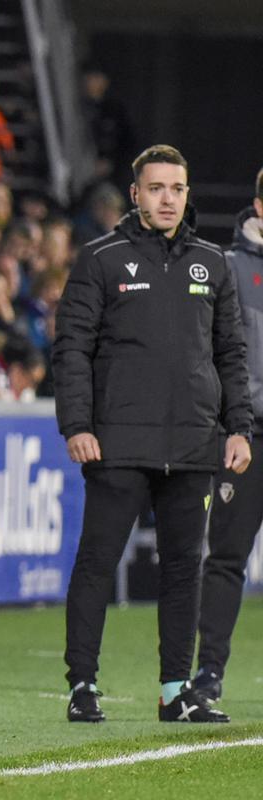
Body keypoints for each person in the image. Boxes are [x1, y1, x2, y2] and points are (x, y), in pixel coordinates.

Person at [52, 144, 251, 725]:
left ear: (188, 195)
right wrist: (77, 425)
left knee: (184, 571)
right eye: (157, 188)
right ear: (135, 193)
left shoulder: (212, 264)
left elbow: (230, 354)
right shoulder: (101, 259)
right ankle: (82, 685)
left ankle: (174, 692)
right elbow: (72, 349)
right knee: (97, 563)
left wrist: (238, 428)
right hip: (118, 443)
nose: (168, 199)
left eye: (177, 189)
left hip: (192, 444)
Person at [193, 165, 263, 704]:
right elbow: (213, 353)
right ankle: (209, 671)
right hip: (248, 434)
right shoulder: (228, 268)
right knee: (227, 557)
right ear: (259, 207)